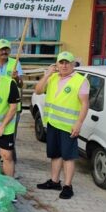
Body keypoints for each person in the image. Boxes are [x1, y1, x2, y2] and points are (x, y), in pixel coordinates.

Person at [34, 51, 90, 200]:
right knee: (55, 154)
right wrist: (47, 75)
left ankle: (67, 186)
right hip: (52, 123)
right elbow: (38, 90)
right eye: (61, 62)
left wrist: (79, 123)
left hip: (68, 126)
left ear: (73, 64)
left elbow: (85, 104)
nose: (64, 65)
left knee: (68, 157)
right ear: (56, 64)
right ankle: (54, 181)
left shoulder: (80, 80)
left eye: (67, 62)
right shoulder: (52, 78)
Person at [0, 38, 24, 165]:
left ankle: (10, 165)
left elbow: (21, 84)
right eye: (1, 49)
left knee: (9, 137)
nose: (4, 51)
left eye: (6, 49)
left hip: (11, 108)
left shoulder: (15, 63)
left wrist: (17, 78)